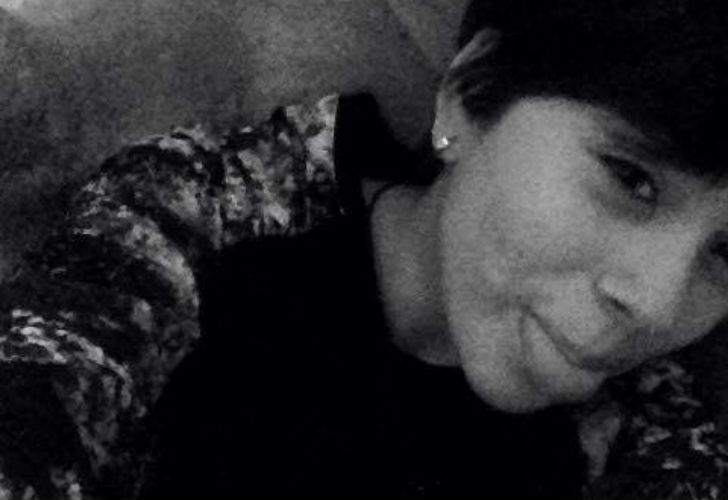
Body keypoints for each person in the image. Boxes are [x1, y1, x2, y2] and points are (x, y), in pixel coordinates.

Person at [0, 0, 727, 498]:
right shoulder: (205, 216)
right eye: (632, 180)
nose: (660, 305)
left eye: (727, 252)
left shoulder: (664, 428)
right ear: (469, 94)